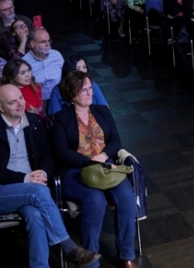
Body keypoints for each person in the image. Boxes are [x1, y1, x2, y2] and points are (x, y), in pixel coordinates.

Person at [0, 85, 100, 268]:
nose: (20, 104)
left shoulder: (33, 122)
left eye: (20, 98)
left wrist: (43, 172)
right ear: (1, 107)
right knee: (38, 191)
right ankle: (70, 248)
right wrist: (25, 178)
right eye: (12, 102)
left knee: (35, 215)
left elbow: (46, 154)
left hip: (31, 187)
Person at [51, 72, 138, 267]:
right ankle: (90, 260)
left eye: (91, 88)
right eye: (84, 90)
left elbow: (116, 140)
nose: (90, 93)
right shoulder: (61, 118)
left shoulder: (102, 111)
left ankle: (127, 255)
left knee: (126, 197)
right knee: (95, 200)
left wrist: (104, 156)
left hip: (107, 167)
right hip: (75, 172)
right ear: (72, 94)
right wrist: (90, 161)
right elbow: (61, 152)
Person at [23, 27, 64, 103]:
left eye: (49, 41)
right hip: (38, 101)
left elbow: (67, 75)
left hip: (60, 99)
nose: (48, 44)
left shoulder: (56, 55)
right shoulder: (25, 62)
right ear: (32, 44)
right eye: (43, 42)